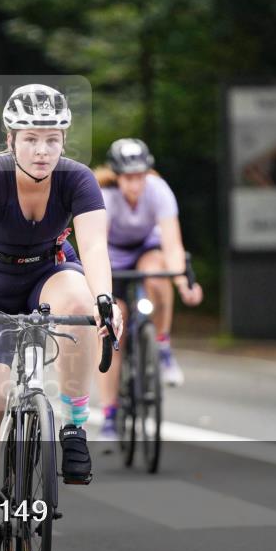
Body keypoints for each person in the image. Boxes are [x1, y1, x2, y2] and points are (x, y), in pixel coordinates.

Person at [0, 84, 122, 551]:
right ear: (11, 139)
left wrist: (106, 301)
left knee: (79, 298)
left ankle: (74, 424)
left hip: (48, 274)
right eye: (31, 139)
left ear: (63, 140)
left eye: (52, 138)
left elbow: (92, 247)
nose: (42, 150)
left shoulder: (78, 179)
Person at [93, 138, 203, 441]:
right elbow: (95, 247)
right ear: (117, 175)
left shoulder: (159, 190)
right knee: (115, 328)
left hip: (146, 249)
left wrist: (184, 283)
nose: (135, 183)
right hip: (112, 259)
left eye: (140, 175)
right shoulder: (104, 197)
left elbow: (172, 244)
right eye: (129, 177)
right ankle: (110, 415)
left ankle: (163, 345)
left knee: (158, 275)